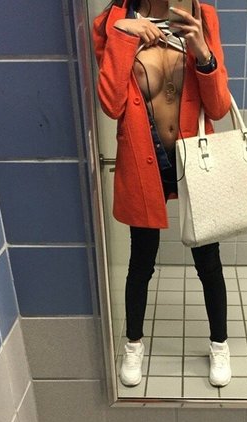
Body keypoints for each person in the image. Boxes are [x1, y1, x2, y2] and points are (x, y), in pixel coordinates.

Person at [92, 0, 232, 388]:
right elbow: (111, 104)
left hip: (194, 161)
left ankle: (219, 344)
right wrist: (125, 35)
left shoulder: (203, 16)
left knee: (208, 260)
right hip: (143, 159)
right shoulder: (112, 22)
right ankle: (133, 345)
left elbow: (218, 107)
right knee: (141, 260)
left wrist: (202, 51)